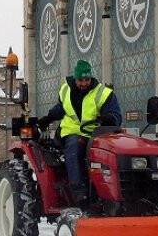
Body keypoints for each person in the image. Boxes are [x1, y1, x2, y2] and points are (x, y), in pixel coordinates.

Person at [37, 60, 121, 206]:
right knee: (75, 147)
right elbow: (60, 108)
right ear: (75, 79)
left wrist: (109, 118)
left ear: (91, 78)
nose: (84, 83)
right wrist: (48, 118)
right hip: (71, 132)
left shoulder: (103, 93)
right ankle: (79, 194)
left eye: (87, 79)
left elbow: (116, 115)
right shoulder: (66, 90)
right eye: (80, 80)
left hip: (96, 134)